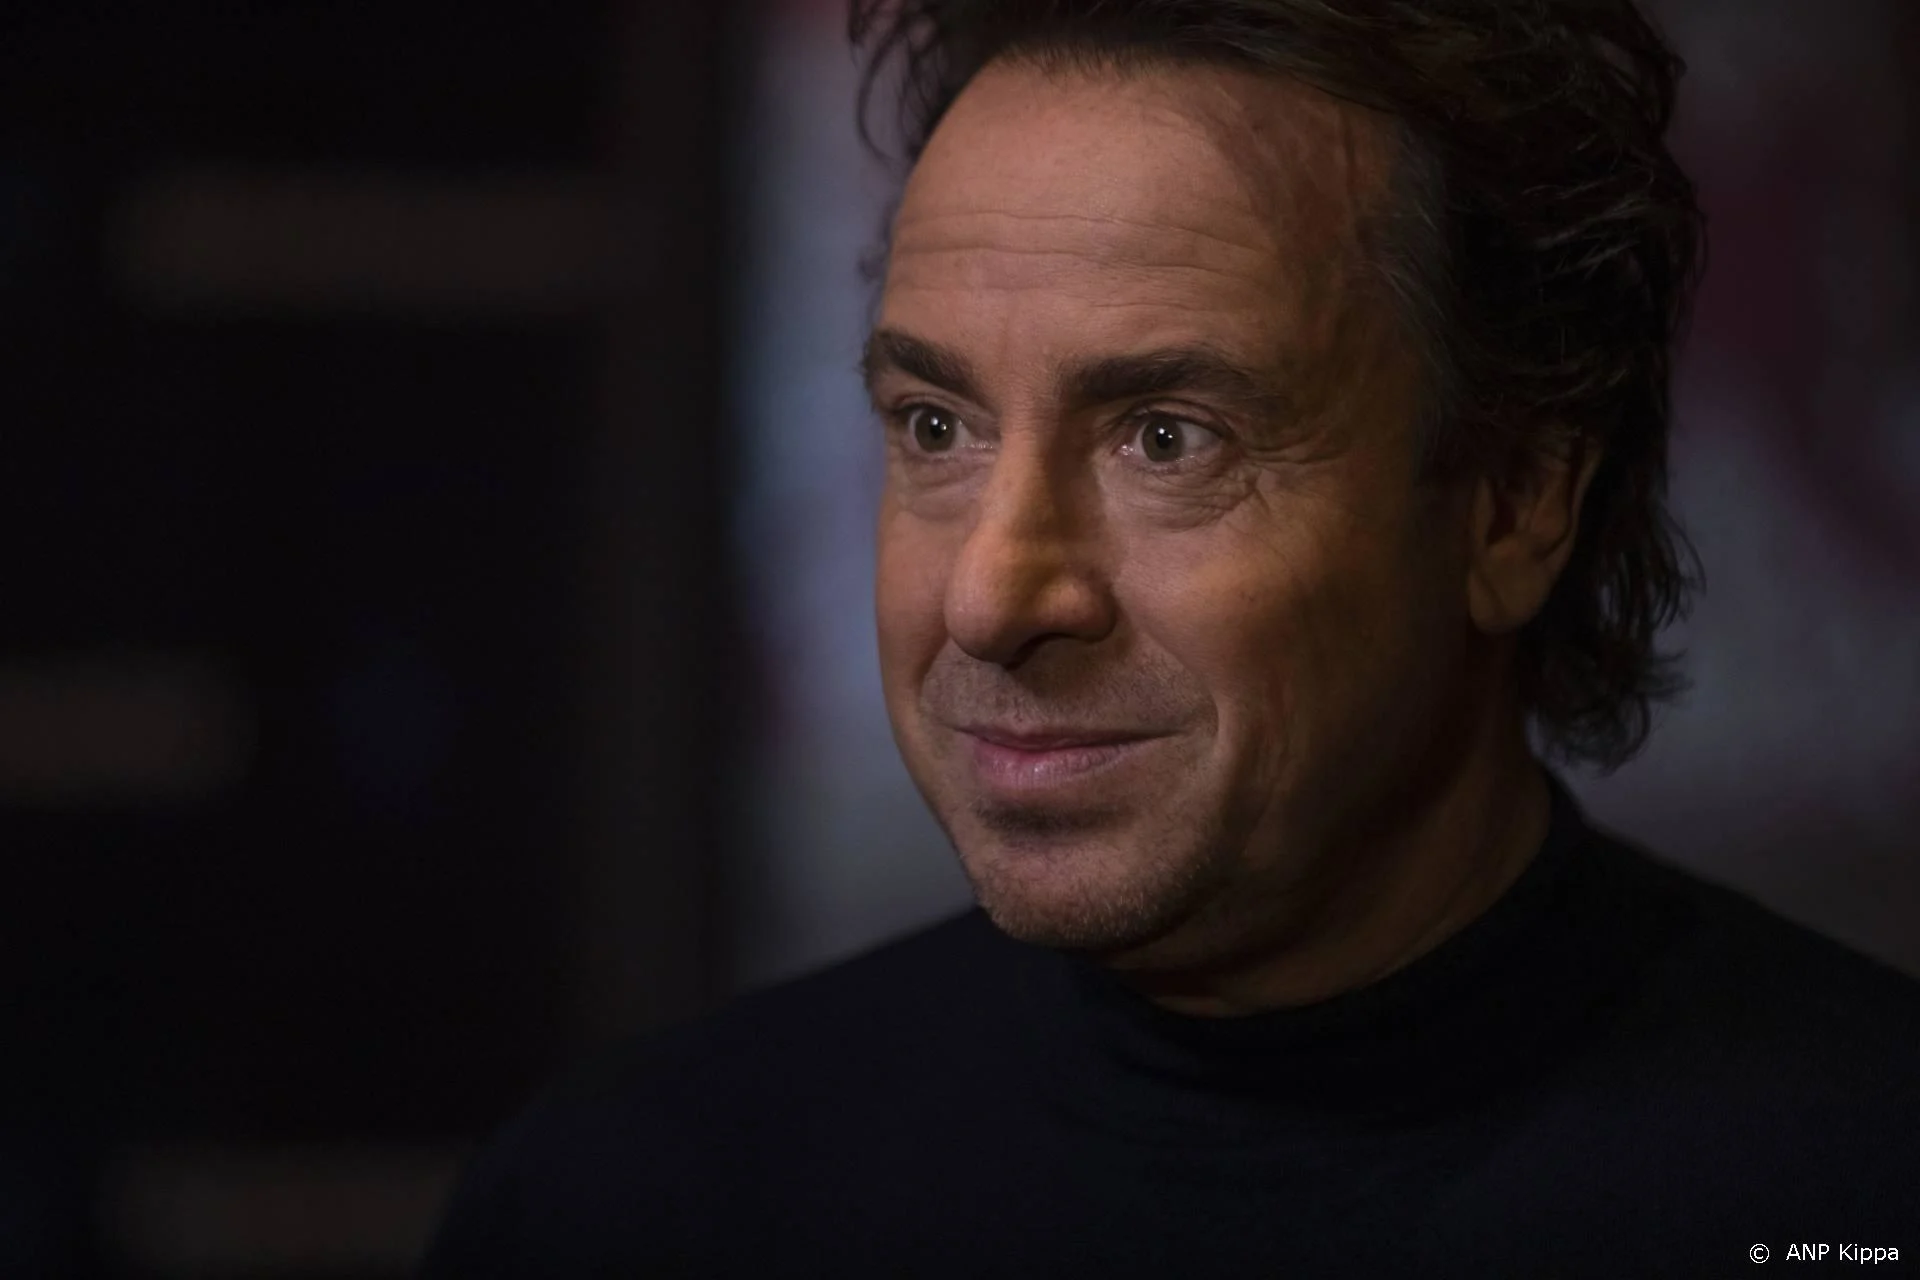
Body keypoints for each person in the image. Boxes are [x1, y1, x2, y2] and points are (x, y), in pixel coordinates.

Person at [422, 1, 1920, 1274]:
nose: (992, 598)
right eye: (936, 426)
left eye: (1166, 438)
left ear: (1515, 505)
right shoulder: (637, 1209)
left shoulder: (1858, 1188)